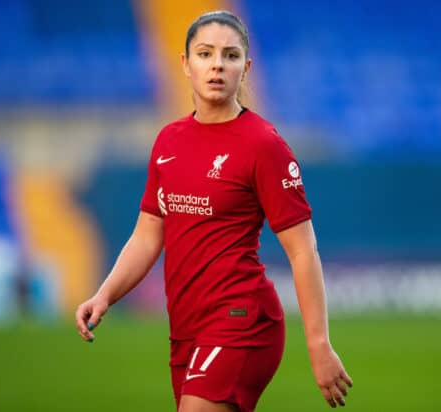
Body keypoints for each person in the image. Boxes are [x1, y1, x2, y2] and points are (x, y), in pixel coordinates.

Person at [75, 10, 353, 412]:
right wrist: (105, 295)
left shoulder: (263, 145)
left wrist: (319, 345)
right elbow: (148, 234)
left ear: (247, 67)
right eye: (205, 54)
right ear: (186, 65)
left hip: (242, 318)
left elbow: (302, 250)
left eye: (231, 55)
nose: (218, 64)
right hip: (186, 327)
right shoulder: (168, 141)